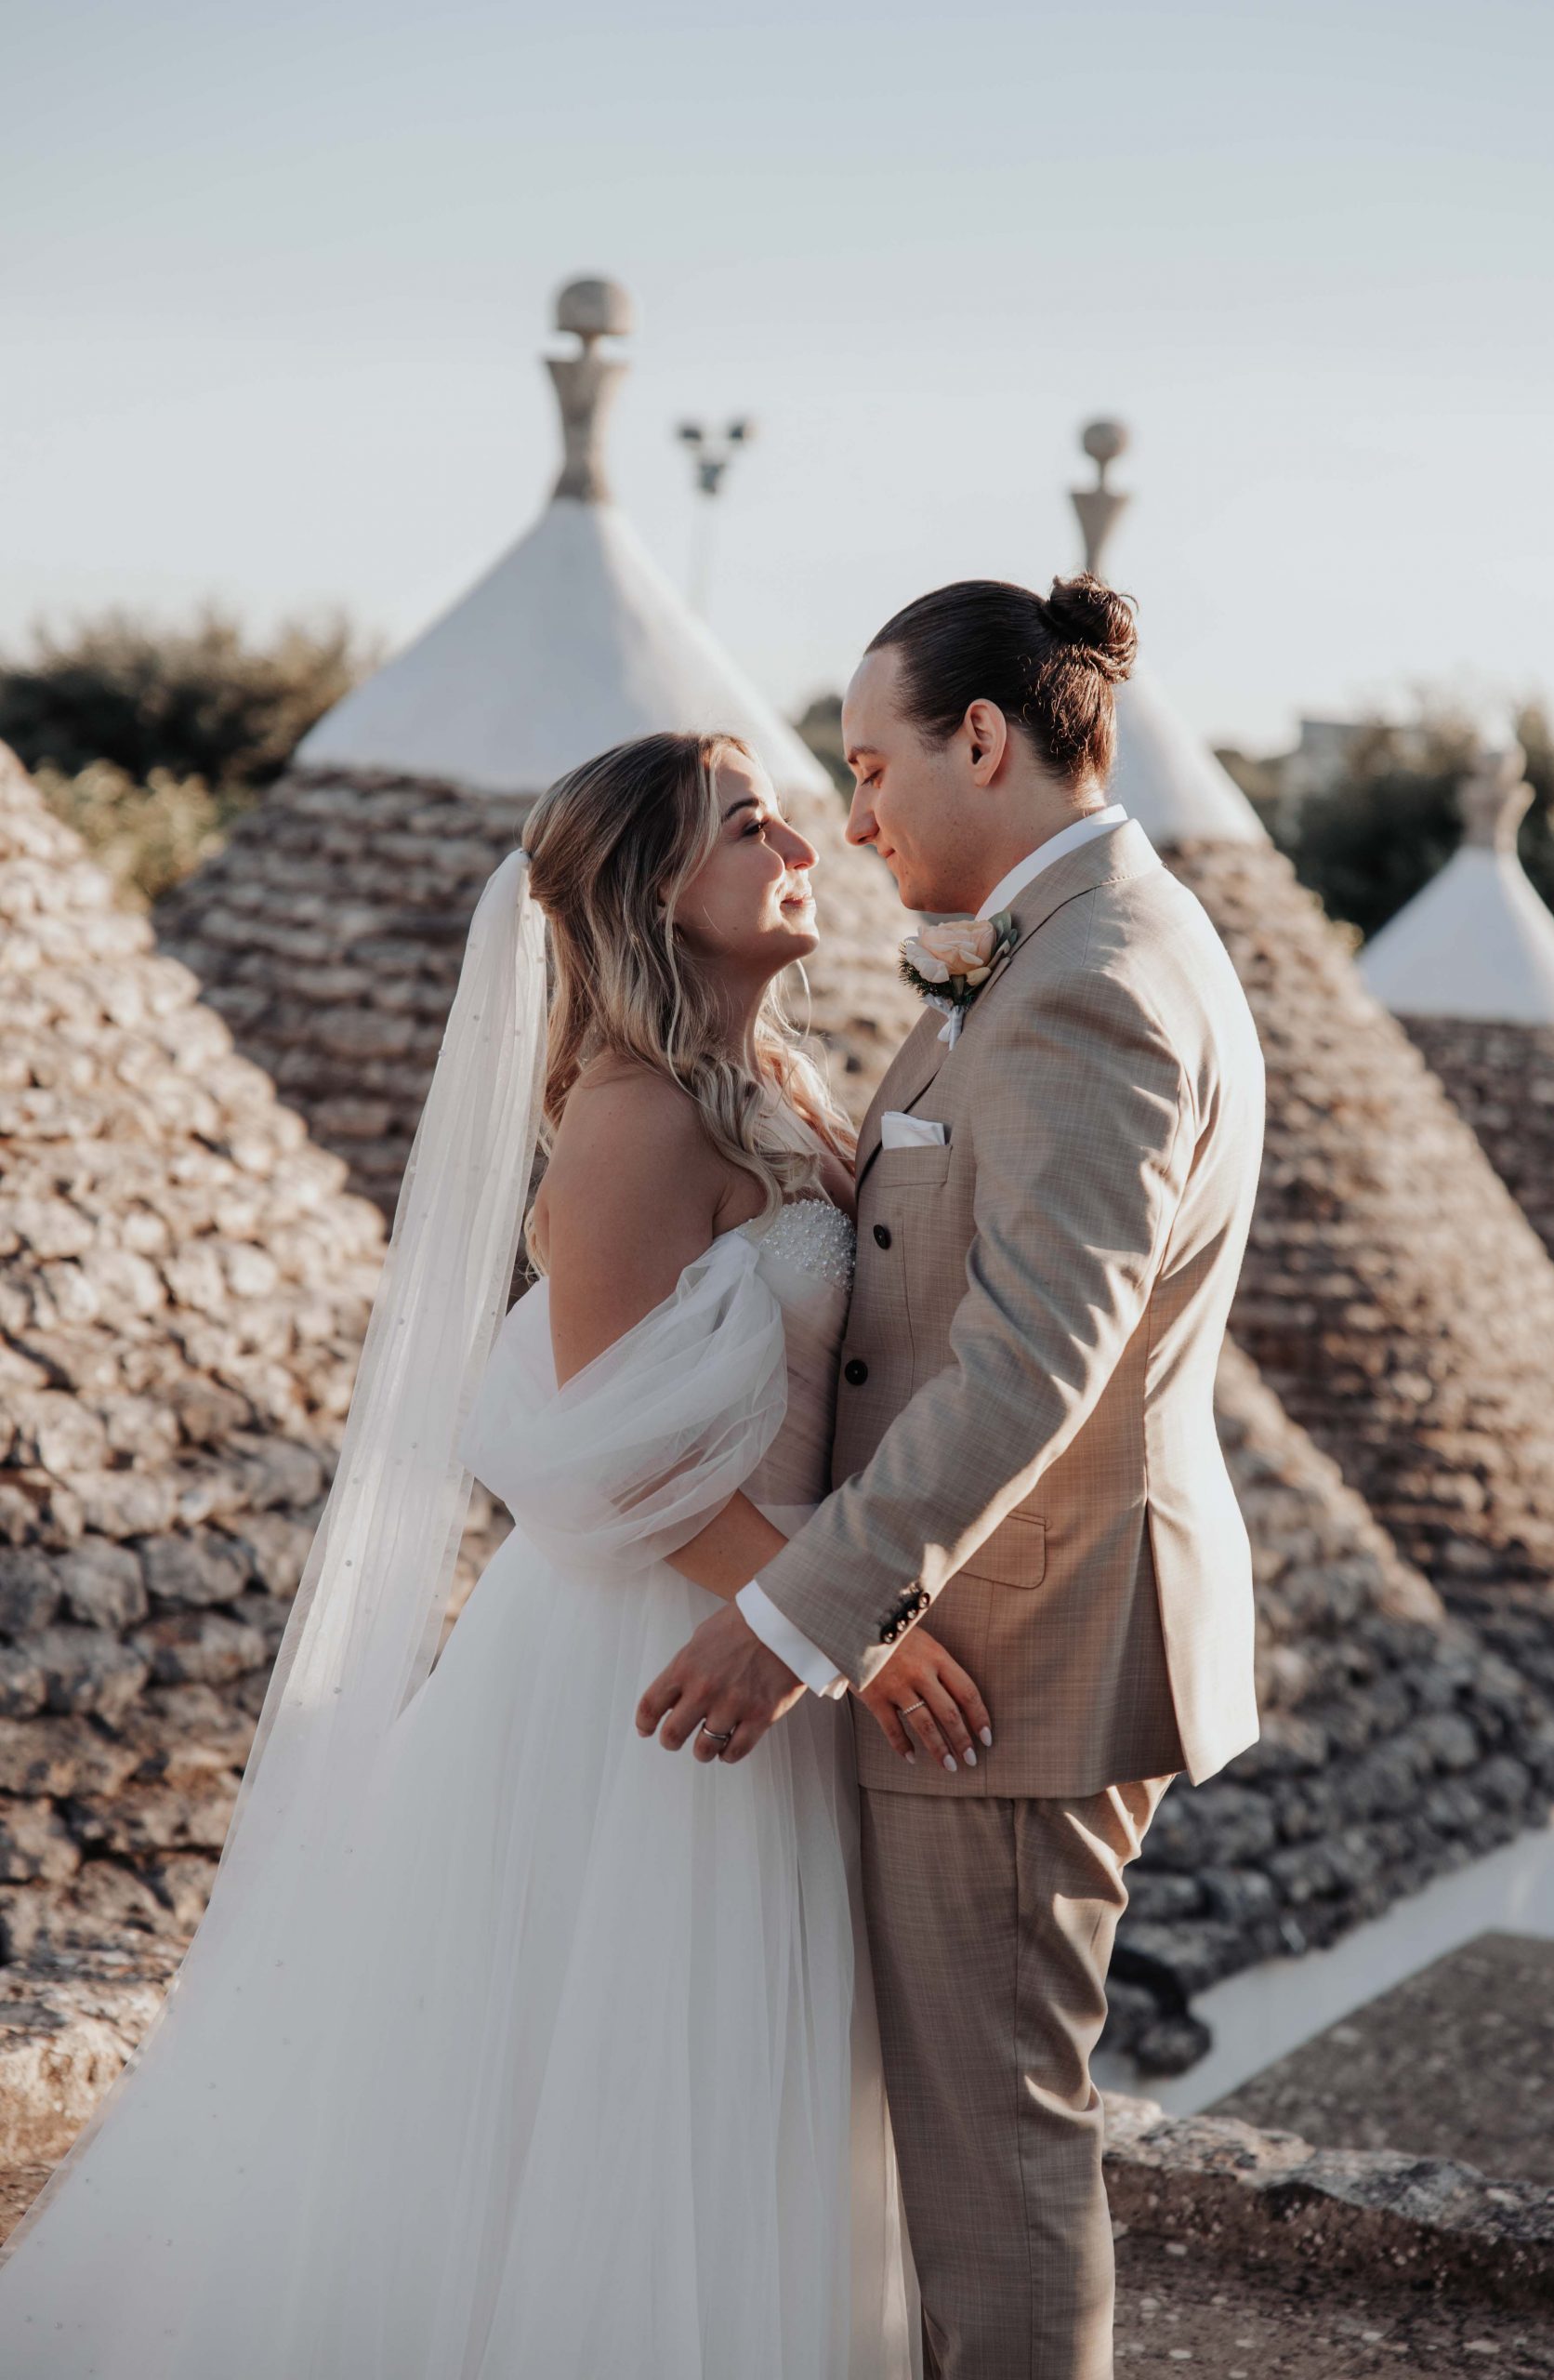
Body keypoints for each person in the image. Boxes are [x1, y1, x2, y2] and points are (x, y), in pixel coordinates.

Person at [0, 729, 930, 2377]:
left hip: (770, 1633)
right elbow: (604, 1460)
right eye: (749, 824)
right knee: (614, 2087)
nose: (803, 843)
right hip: (652, 1662)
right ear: (652, 890)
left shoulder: (784, 1085)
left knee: (734, 2098)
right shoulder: (634, 1117)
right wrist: (847, 1629)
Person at [640, 574, 1268, 2379]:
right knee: (969, 2141)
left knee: (992, 2157)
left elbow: (1033, 1358)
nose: (850, 821)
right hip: (1002, 1623)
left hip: (1012, 1647)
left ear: (980, 739)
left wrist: (799, 1614)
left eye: (867, 766)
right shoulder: (1068, 945)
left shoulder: (1090, 982)